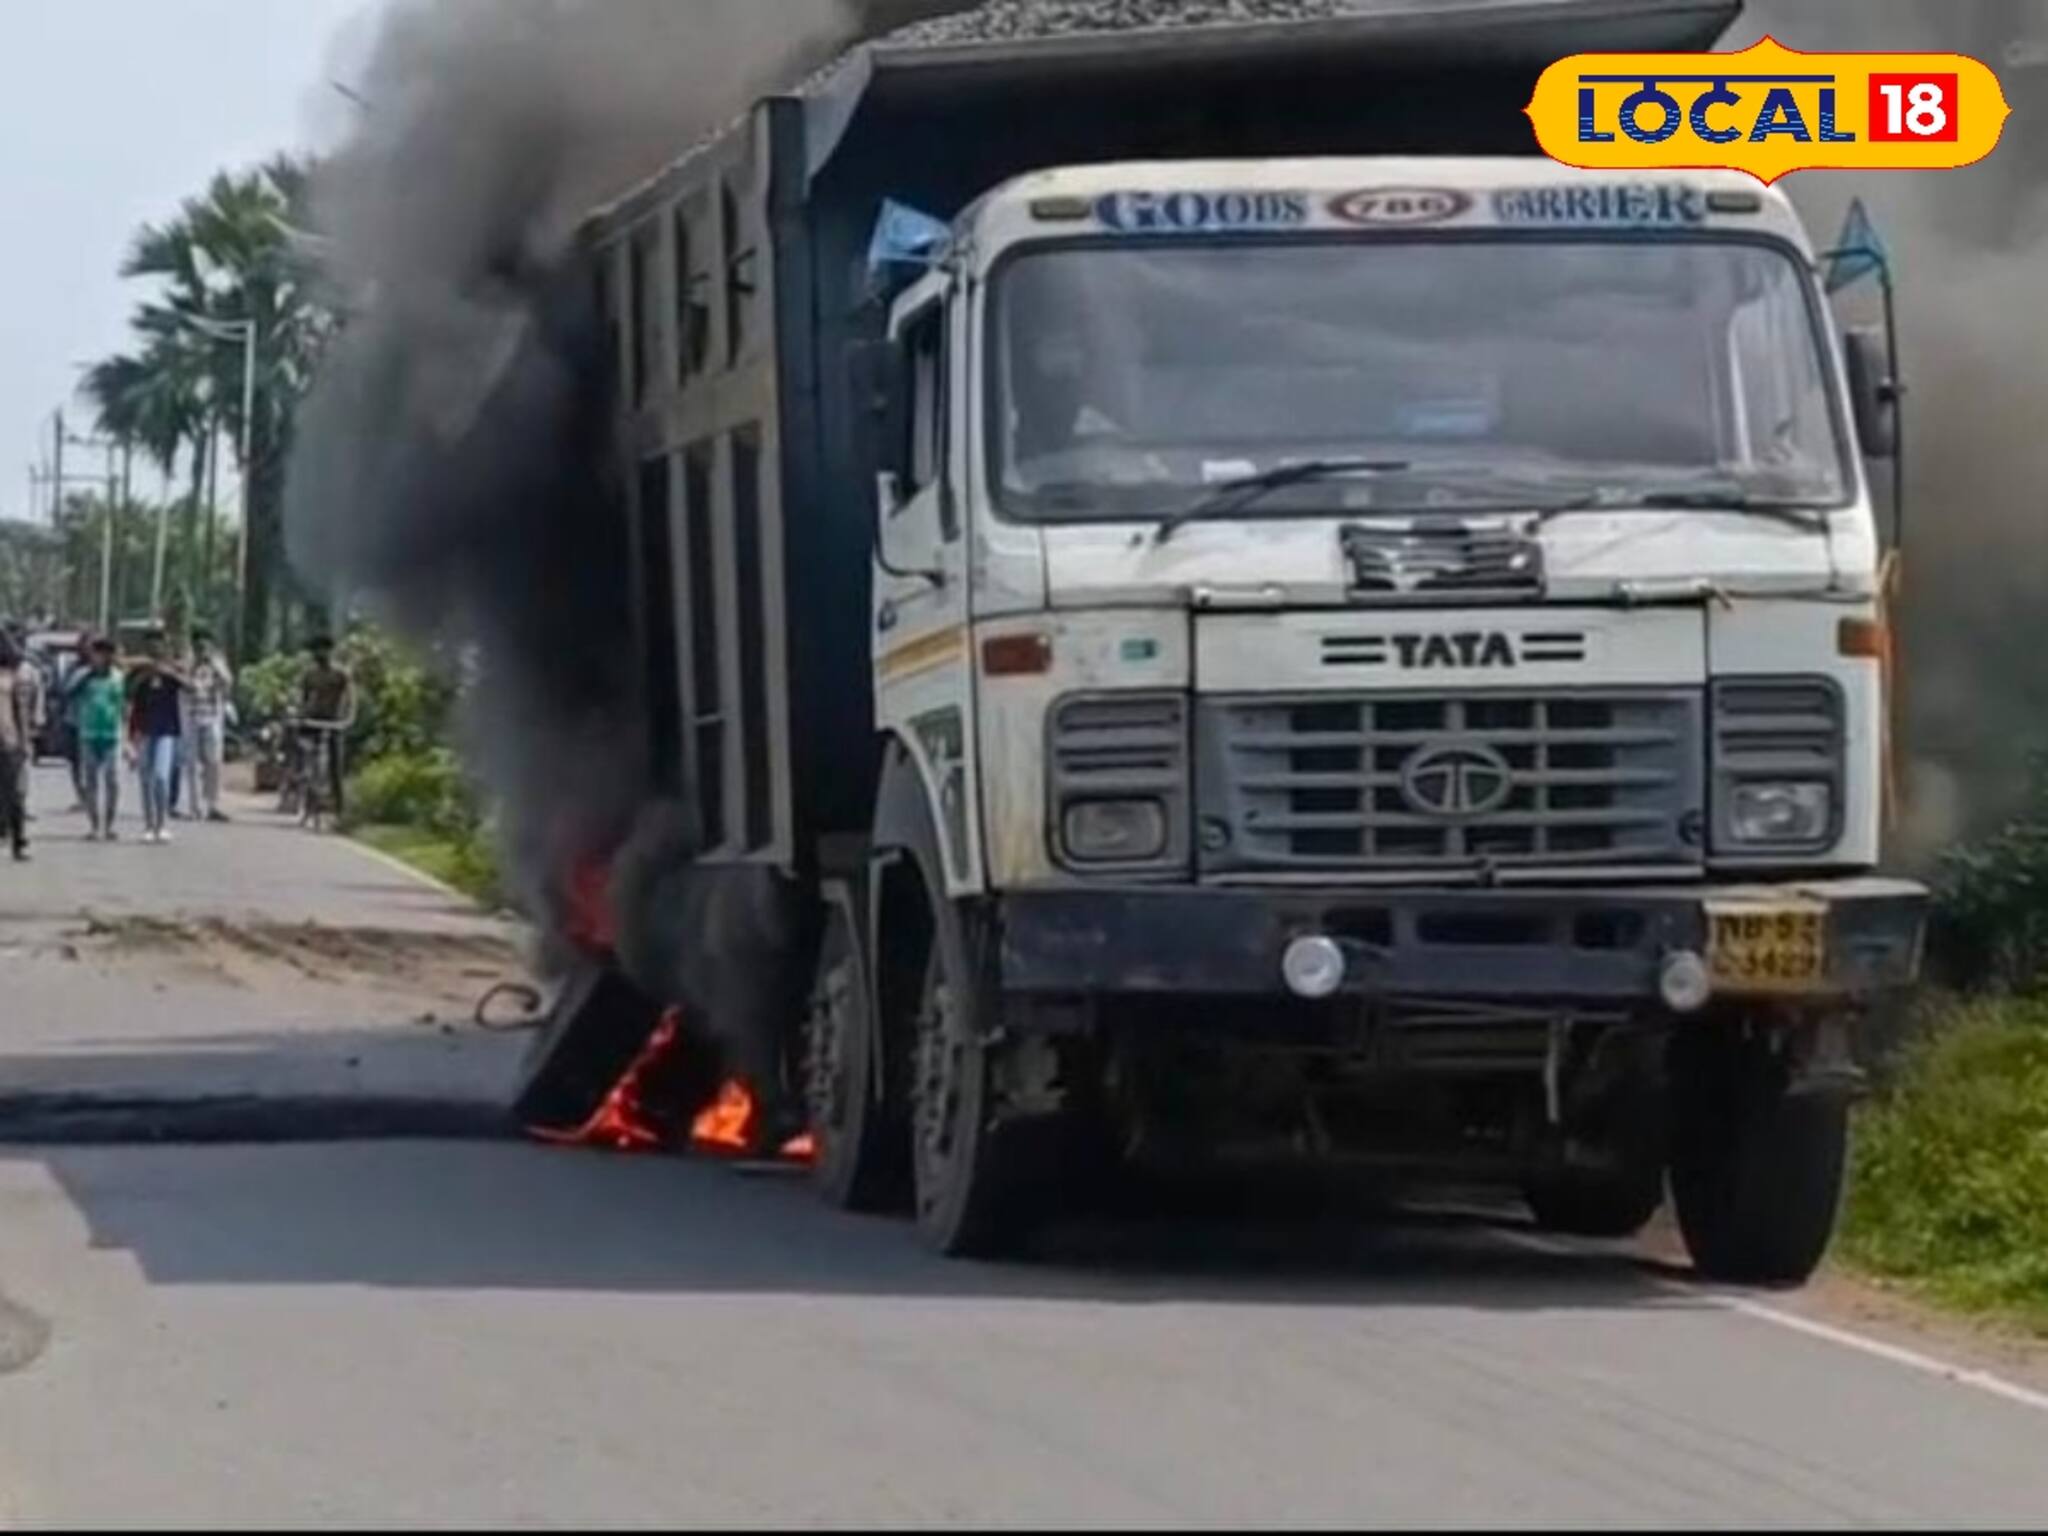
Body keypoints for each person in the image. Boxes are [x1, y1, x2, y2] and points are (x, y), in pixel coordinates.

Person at [126, 635, 188, 845]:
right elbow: (129, 698)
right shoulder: (140, 673)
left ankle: (162, 824)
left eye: (160, 646)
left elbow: (191, 687)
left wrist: (170, 672)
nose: (156, 650)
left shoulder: (171, 673)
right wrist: (144, 674)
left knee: (161, 777)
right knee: (145, 779)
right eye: (152, 646)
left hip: (166, 731)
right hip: (144, 730)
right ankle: (148, 825)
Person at [71, 637, 125, 841]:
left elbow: (125, 707)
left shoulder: (118, 678)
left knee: (113, 781)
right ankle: (94, 825)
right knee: (90, 781)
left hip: (112, 735)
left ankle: (109, 825)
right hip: (89, 734)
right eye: (98, 654)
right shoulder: (84, 677)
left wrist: (128, 738)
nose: (102, 658)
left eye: (106, 654)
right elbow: (67, 692)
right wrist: (87, 676)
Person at [298, 636, 356, 822]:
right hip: (314, 720)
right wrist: (302, 715)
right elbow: (303, 699)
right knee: (307, 757)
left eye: (323, 650)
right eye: (316, 651)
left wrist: (348, 718)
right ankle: (306, 800)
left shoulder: (341, 674)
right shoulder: (310, 675)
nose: (320, 654)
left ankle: (340, 809)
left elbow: (350, 699)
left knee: (335, 766)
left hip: (334, 721)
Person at [182, 628, 234, 822]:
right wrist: (192, 666)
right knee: (192, 764)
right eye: (198, 644)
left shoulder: (217, 663)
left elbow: (228, 682)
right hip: (191, 718)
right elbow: (182, 684)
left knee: (213, 763)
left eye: (205, 644)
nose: (202, 648)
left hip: (212, 717)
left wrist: (215, 664)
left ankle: (212, 805)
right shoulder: (187, 663)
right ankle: (194, 807)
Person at [0, 633, 31, 860]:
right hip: (10, 741)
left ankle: (17, 839)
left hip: (8, 741)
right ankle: (16, 840)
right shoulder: (12, 679)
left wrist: (24, 741)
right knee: (12, 794)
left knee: (12, 794)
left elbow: (20, 712)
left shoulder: (12, 679)